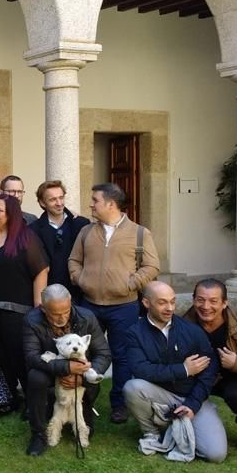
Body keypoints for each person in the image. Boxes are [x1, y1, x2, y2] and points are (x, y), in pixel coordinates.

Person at [69, 182, 159, 424]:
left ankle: (119, 404)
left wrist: (130, 284)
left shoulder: (140, 233)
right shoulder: (86, 232)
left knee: (121, 357)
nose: (91, 204)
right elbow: (74, 260)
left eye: (95, 200)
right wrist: (81, 279)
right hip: (89, 305)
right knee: (83, 353)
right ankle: (83, 401)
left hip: (124, 306)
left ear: (110, 204)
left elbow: (152, 266)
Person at [124, 282, 227, 463]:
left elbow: (209, 371)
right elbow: (141, 369)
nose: (170, 308)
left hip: (192, 397)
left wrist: (193, 404)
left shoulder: (193, 331)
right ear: (146, 303)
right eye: (162, 302)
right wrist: (184, 369)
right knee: (132, 387)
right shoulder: (134, 333)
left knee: (216, 454)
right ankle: (152, 434)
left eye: (173, 301)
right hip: (159, 393)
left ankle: (180, 425)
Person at [0, 194, 49, 413]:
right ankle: (10, 396)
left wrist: (38, 304)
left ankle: (31, 400)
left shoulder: (26, 238)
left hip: (18, 310)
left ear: (11, 214)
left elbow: (41, 270)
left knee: (18, 355)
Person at [22, 284, 111, 456]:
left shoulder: (87, 317)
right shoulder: (31, 321)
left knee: (88, 432)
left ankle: (81, 412)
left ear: (71, 304)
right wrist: (66, 367)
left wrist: (83, 377)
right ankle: (39, 434)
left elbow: (104, 353)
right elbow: (32, 357)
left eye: (66, 311)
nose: (62, 318)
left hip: (82, 374)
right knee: (35, 377)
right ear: (43, 308)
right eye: (55, 314)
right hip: (49, 371)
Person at [182, 279, 237, 452]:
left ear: (224, 303)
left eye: (213, 301)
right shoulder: (181, 324)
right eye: (200, 300)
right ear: (193, 300)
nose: (206, 306)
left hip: (233, 378)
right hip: (197, 377)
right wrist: (184, 367)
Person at [28, 180, 90, 301]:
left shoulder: (81, 224)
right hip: (48, 295)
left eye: (61, 198)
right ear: (42, 202)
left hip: (79, 294)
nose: (59, 203)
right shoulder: (33, 230)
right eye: (52, 199)